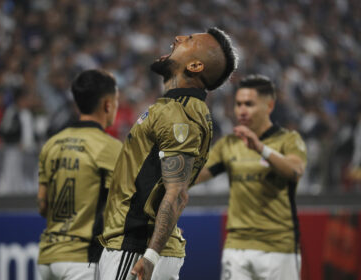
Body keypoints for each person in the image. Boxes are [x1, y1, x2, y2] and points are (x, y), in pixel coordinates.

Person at [98, 27, 238, 280]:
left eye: (189, 40)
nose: (178, 38)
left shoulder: (179, 115)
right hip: (136, 245)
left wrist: (150, 256)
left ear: (195, 66)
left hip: (135, 248)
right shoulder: (176, 108)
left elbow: (178, 193)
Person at [195, 74, 307, 280]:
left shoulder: (288, 140)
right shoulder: (228, 144)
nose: (242, 110)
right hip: (237, 247)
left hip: (279, 247)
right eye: (238, 104)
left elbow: (294, 171)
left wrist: (262, 149)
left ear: (269, 106)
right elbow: (192, 177)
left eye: (249, 104)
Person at [37, 69, 122, 280]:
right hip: (82, 259)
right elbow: (123, 207)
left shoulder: (52, 144)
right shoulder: (109, 148)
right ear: (108, 104)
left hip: (48, 257)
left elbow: (42, 205)